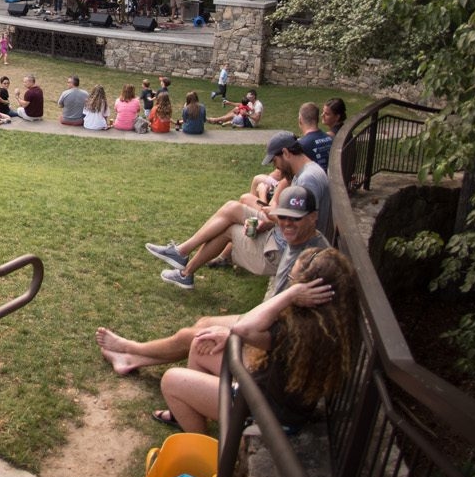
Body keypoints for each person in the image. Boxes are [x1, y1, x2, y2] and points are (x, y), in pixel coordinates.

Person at [97, 184, 335, 378]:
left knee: (195, 336)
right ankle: (131, 358)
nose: (287, 224)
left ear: (313, 218)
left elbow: (294, 329)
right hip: (271, 321)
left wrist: (238, 335)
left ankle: (130, 350)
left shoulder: (314, 261)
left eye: (295, 219)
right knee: (203, 322)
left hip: (276, 344)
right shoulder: (299, 241)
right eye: (283, 217)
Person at [155, 248, 358, 433]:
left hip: (263, 413)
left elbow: (243, 328)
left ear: (306, 289)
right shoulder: (329, 324)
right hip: (274, 395)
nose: (289, 284)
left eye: (292, 280)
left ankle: (200, 445)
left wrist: (291, 294)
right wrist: (228, 337)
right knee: (202, 345)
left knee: (171, 380)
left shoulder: (299, 329)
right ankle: (189, 412)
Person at [149, 122, 333, 290]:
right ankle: (182, 260)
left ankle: (184, 268)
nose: (276, 167)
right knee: (232, 208)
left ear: (286, 153)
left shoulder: (308, 179)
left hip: (281, 250)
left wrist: (270, 216)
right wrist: (267, 220)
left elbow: (302, 226)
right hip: (281, 237)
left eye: (275, 161)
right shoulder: (306, 171)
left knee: (229, 228)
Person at [301, 98, 345, 170]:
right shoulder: (343, 130)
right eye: (323, 112)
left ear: (337, 117)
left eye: (327, 114)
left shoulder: (331, 136)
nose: (322, 115)